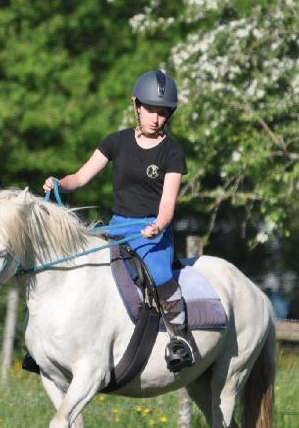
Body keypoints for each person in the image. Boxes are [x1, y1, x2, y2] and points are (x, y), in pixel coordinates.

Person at [42, 70, 198, 372]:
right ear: (136, 106)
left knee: (161, 272)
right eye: (150, 109)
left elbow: (168, 203)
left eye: (163, 113)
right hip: (115, 227)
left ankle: (181, 340)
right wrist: (59, 182)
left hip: (152, 232)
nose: (156, 118)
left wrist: (159, 225)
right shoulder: (116, 142)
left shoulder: (173, 151)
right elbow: (81, 177)